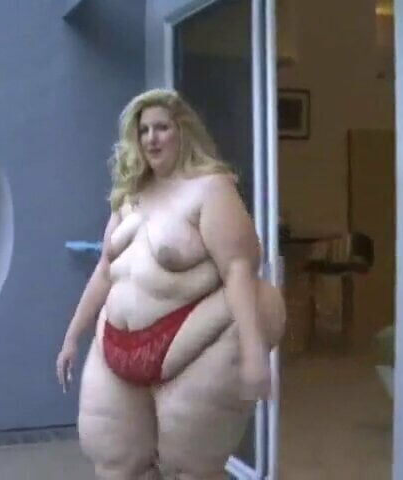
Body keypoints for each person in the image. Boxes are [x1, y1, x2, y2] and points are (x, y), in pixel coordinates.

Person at [56, 89, 285, 479]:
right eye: (144, 130)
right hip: (116, 342)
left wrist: (253, 352)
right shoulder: (130, 196)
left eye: (161, 127)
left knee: (189, 468)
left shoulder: (210, 188)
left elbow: (238, 270)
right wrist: (72, 336)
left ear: (183, 131)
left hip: (190, 341)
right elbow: (105, 270)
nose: (152, 138)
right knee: (115, 463)